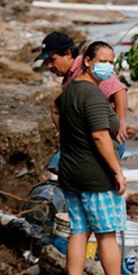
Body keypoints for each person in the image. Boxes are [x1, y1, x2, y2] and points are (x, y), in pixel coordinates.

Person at [51, 41, 130, 275]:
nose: (108, 66)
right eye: (103, 61)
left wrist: (68, 137)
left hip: (71, 174)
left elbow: (54, 108)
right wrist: (117, 172)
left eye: (111, 61)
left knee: (78, 232)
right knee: (107, 234)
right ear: (87, 61)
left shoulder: (71, 89)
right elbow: (99, 135)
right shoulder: (93, 95)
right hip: (95, 177)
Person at [36, 32, 129, 171]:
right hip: (89, 138)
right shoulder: (71, 78)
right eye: (47, 62)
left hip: (105, 136)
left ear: (68, 54)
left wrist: (121, 122)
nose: (49, 66)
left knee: (67, 169)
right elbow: (55, 108)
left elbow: (118, 90)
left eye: (52, 60)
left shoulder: (87, 70)